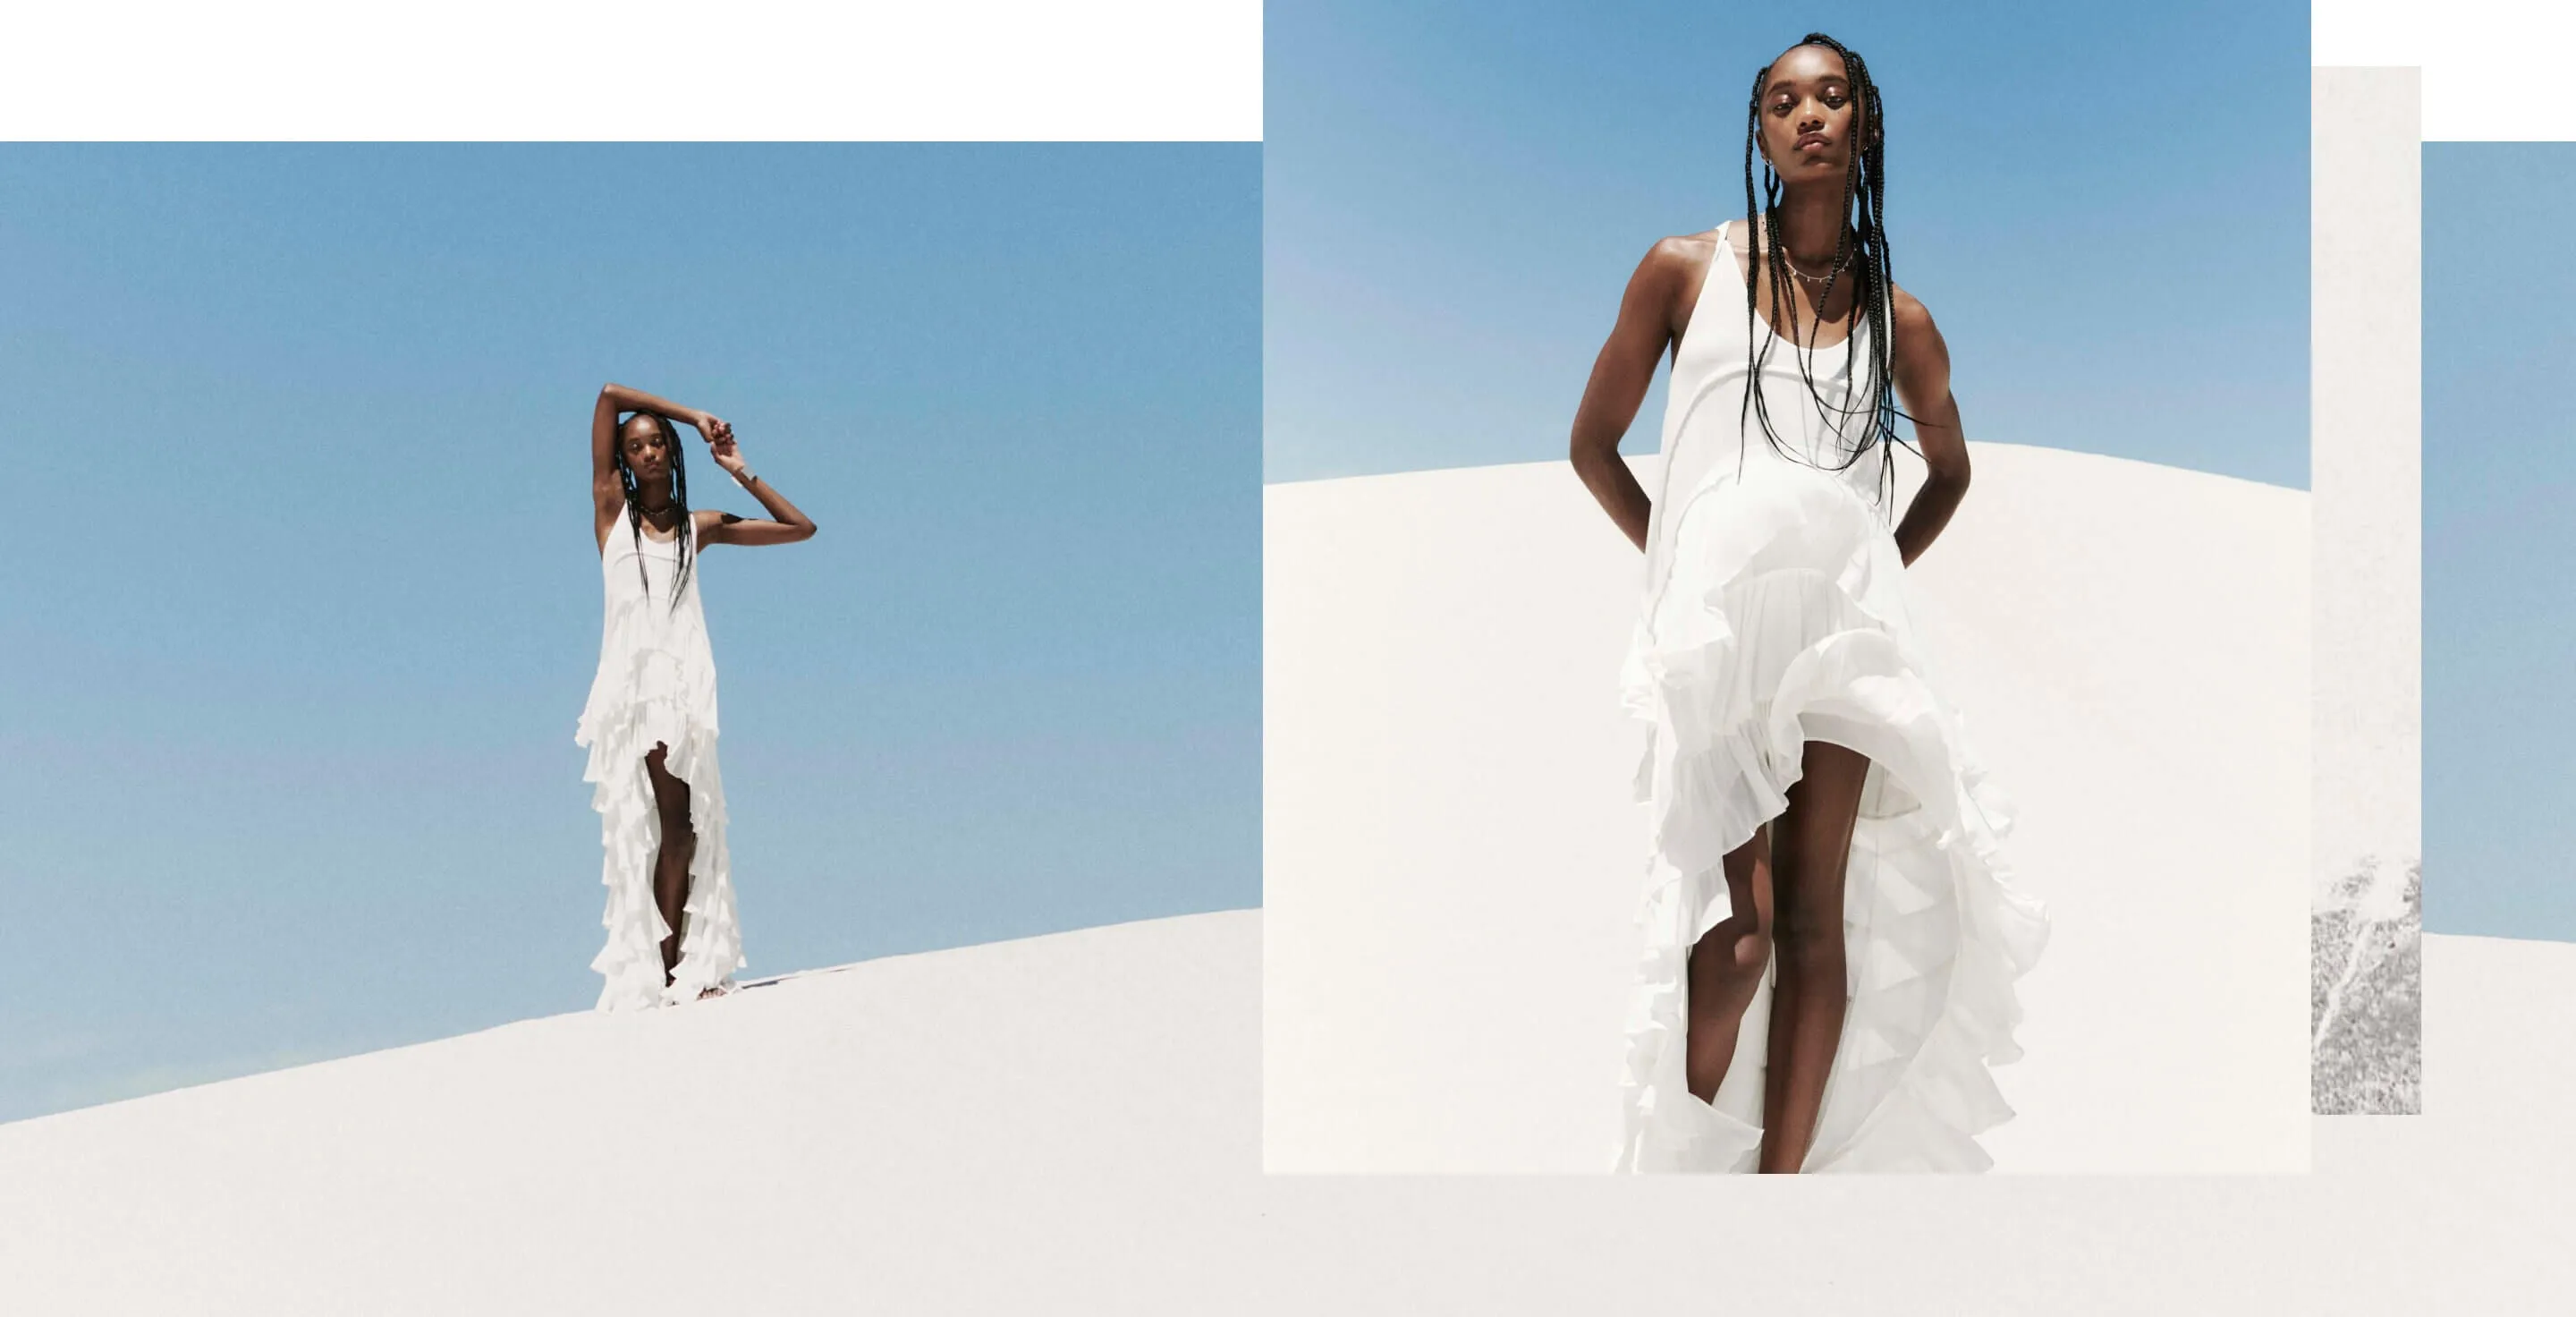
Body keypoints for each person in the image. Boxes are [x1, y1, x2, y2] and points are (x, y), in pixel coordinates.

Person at [1568, 34, 2048, 1172]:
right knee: (1736, 942)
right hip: (1724, 638)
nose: (1809, 115)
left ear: (1865, 123)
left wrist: (1871, 574)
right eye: (1783, 101)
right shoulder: (1683, 269)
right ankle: (1672, 1166)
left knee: (1812, 925)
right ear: (1760, 132)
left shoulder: (1904, 320)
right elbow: (1592, 445)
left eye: (1831, 96)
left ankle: (1776, 1206)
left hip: (1840, 641)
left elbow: (1953, 471)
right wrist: (1679, 577)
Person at [576, 383, 816, 1011]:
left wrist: (740, 471)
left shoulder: (695, 529)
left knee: (685, 831)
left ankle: (675, 969)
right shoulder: (610, 515)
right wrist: (694, 413)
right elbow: (606, 396)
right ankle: (665, 977)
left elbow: (800, 528)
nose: (650, 452)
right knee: (674, 828)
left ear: (670, 454)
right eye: (637, 445)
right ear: (623, 460)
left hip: (683, 697)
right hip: (635, 697)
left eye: (659, 442)